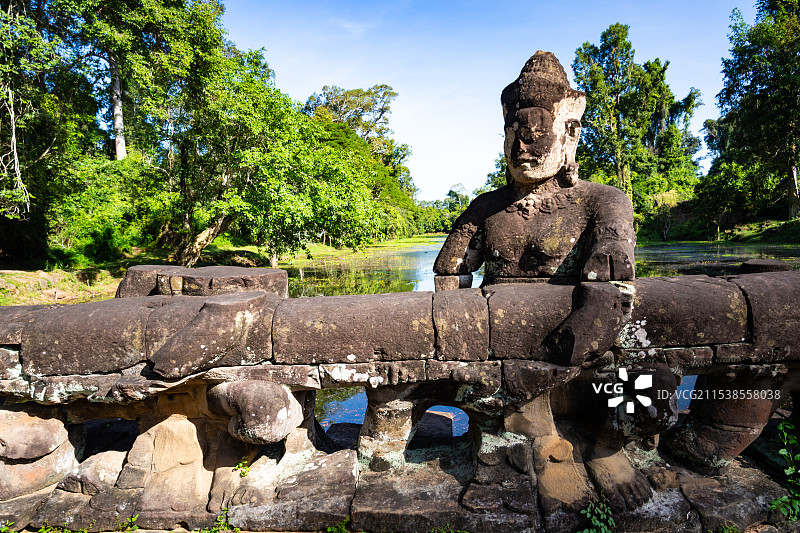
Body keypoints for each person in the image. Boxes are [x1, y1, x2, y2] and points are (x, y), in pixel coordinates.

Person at [433, 51, 635, 288]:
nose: (518, 148)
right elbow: (448, 277)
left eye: (531, 135)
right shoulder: (484, 208)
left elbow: (614, 287)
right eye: (511, 135)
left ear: (570, 134)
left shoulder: (603, 202)